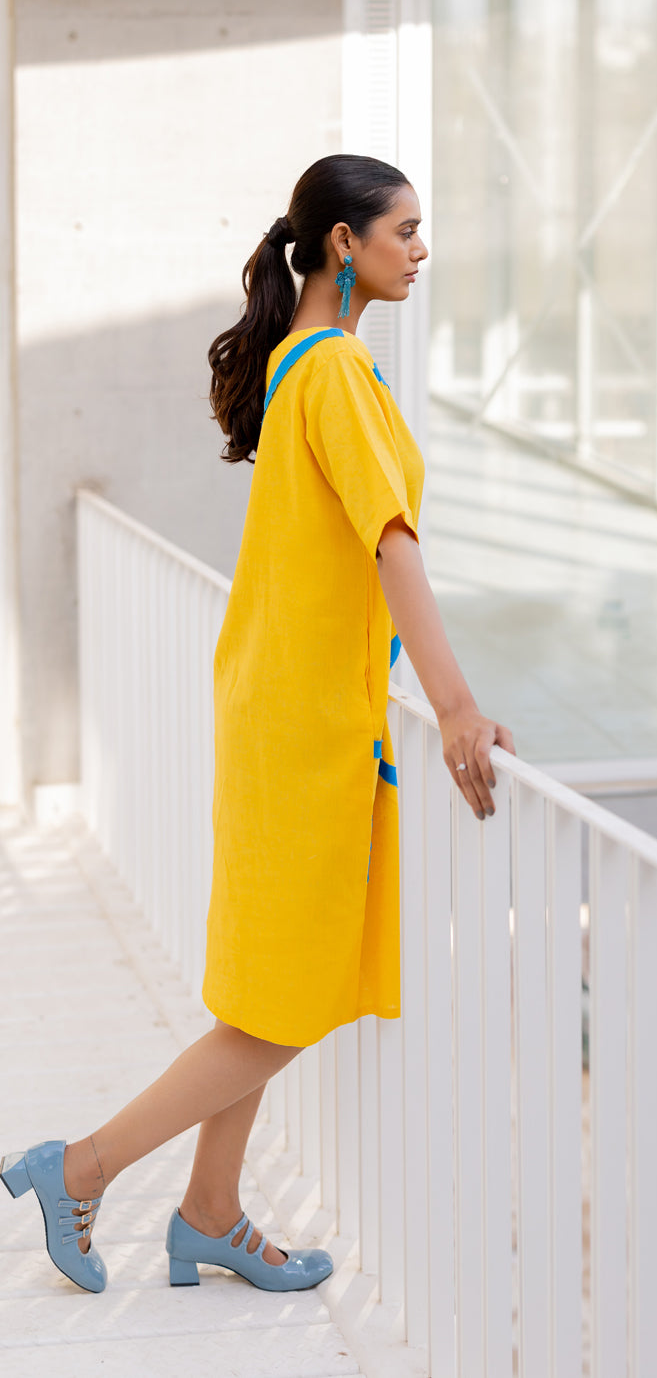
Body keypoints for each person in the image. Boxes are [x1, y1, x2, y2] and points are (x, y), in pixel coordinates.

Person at [1, 153, 514, 1294]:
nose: (421, 251)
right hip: (304, 722)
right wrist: (457, 706)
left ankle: (209, 1209)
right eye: (406, 231)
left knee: (273, 986)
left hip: (289, 703)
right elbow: (394, 544)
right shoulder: (331, 372)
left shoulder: (311, 361)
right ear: (345, 243)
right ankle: (79, 1166)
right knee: (283, 1006)